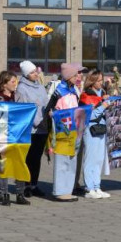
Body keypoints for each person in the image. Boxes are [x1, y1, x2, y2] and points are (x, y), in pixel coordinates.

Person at [45, 63, 83, 202]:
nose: (78, 76)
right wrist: (52, 115)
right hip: (62, 132)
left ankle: (68, 189)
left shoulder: (74, 91)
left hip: (73, 131)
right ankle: (60, 190)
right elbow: (49, 109)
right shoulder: (59, 91)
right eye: (76, 74)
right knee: (62, 161)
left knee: (72, 160)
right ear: (68, 77)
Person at [0, 71, 25, 205]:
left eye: (16, 81)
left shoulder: (19, 96)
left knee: (19, 163)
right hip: (2, 135)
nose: (16, 84)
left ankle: (20, 193)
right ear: (4, 84)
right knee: (2, 164)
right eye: (13, 82)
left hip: (18, 135)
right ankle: (4, 194)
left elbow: (24, 113)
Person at [15, 61, 49, 200]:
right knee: (28, 158)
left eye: (36, 71)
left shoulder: (40, 87)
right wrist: (36, 122)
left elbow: (46, 103)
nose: (36, 74)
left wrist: (49, 114)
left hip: (42, 128)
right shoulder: (22, 88)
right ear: (26, 74)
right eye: (33, 72)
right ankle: (25, 185)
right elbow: (24, 109)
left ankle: (34, 184)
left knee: (37, 158)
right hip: (31, 129)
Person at [80, 70, 111, 199]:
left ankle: (97, 186)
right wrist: (102, 106)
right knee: (90, 159)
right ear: (92, 81)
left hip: (102, 128)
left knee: (99, 159)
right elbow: (88, 115)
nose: (101, 83)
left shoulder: (103, 93)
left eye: (101, 80)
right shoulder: (85, 95)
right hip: (91, 129)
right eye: (98, 81)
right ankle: (89, 188)